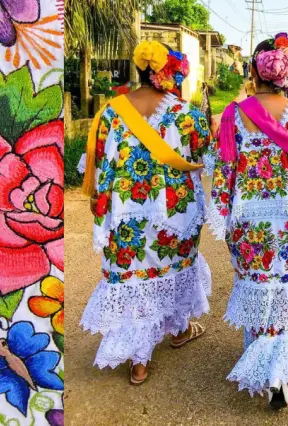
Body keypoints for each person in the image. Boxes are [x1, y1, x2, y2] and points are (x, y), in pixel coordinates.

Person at [206, 33, 288, 408]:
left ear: (254, 75)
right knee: (284, 286)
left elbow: (218, 163)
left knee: (257, 284)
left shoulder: (233, 114)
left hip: (248, 223)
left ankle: (264, 359)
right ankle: (277, 371)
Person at [80, 41, 213, 384]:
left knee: (135, 277)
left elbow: (94, 164)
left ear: (139, 70)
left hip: (125, 218)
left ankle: (139, 363)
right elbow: (203, 156)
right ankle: (178, 332)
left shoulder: (110, 112)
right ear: (170, 71)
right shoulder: (188, 114)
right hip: (174, 216)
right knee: (173, 272)